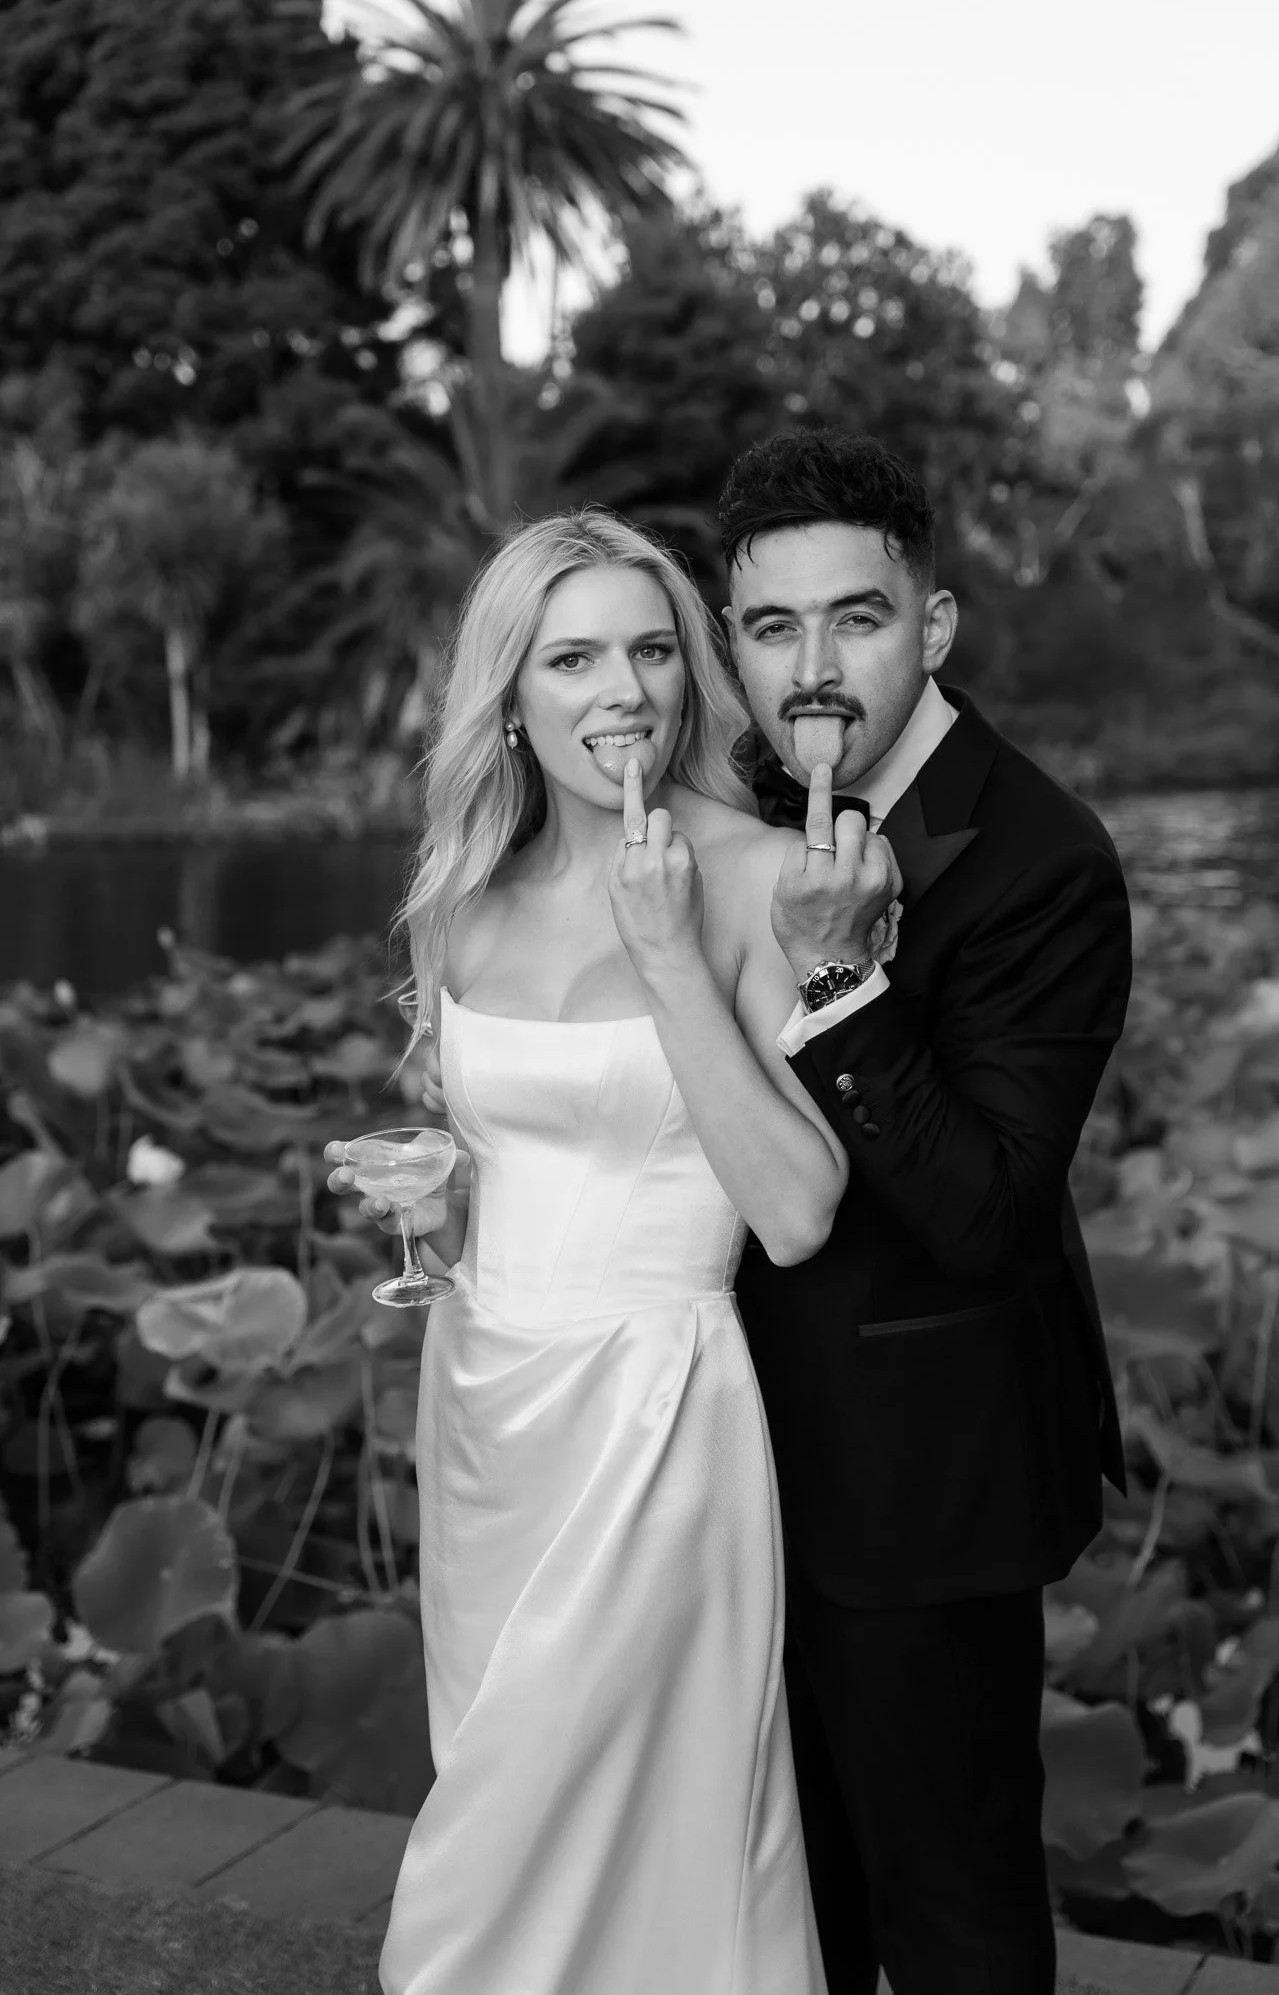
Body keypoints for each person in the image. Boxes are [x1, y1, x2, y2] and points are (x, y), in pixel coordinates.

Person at [326, 509, 847, 1995]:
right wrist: (431, 1206)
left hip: (654, 1416)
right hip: (482, 1402)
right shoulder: (464, 897)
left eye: (651, 651)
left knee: (566, 1832)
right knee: (495, 1774)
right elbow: (510, 1168)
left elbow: (800, 1209)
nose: (623, 691)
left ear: (690, 674)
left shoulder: (761, 876)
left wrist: (670, 951)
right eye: (572, 659)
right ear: (509, 696)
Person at [720, 428, 1133, 1995]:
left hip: (923, 1478)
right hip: (715, 1456)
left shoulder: (1044, 857)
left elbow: (988, 1212)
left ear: (935, 625)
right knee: (789, 1904)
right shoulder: (730, 816)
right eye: (774, 627)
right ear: (734, 644)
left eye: (859, 617)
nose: (814, 668)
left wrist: (842, 976)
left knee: (953, 1923)